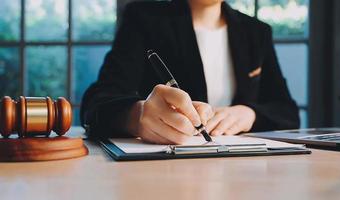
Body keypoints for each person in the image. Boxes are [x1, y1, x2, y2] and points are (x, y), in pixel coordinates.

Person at [80, 0, 300, 144]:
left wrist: (249, 114)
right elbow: (96, 103)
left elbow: (287, 111)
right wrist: (136, 116)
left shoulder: (256, 31)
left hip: (242, 170)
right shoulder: (144, 19)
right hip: (162, 172)